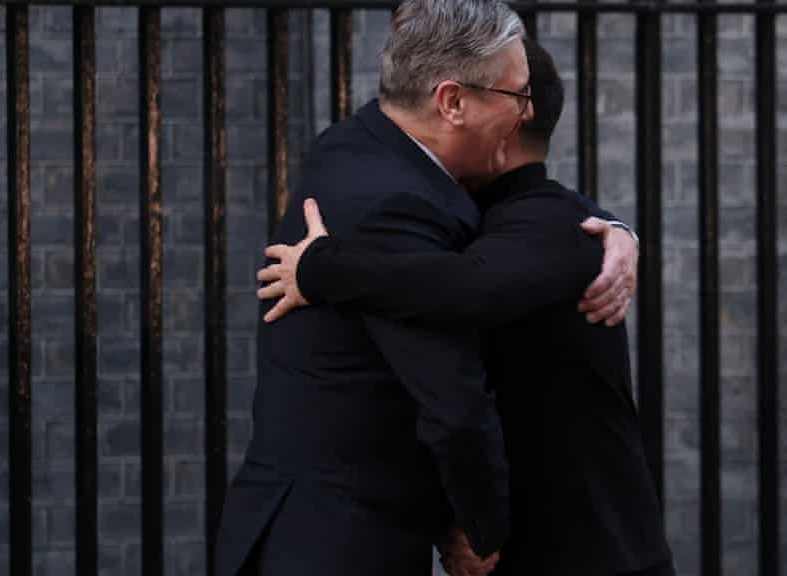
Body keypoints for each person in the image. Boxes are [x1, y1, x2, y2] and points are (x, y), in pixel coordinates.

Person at [256, 39, 673, 576]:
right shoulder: (508, 221)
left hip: (597, 554)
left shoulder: (554, 229)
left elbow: (465, 287)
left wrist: (321, 269)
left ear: (514, 119)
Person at [213, 2, 530, 574]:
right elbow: (451, 400)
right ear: (452, 101)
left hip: (303, 528)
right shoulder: (396, 203)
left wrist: (615, 232)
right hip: (336, 544)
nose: (526, 115)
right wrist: (482, 528)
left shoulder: (356, 146)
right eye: (516, 95)